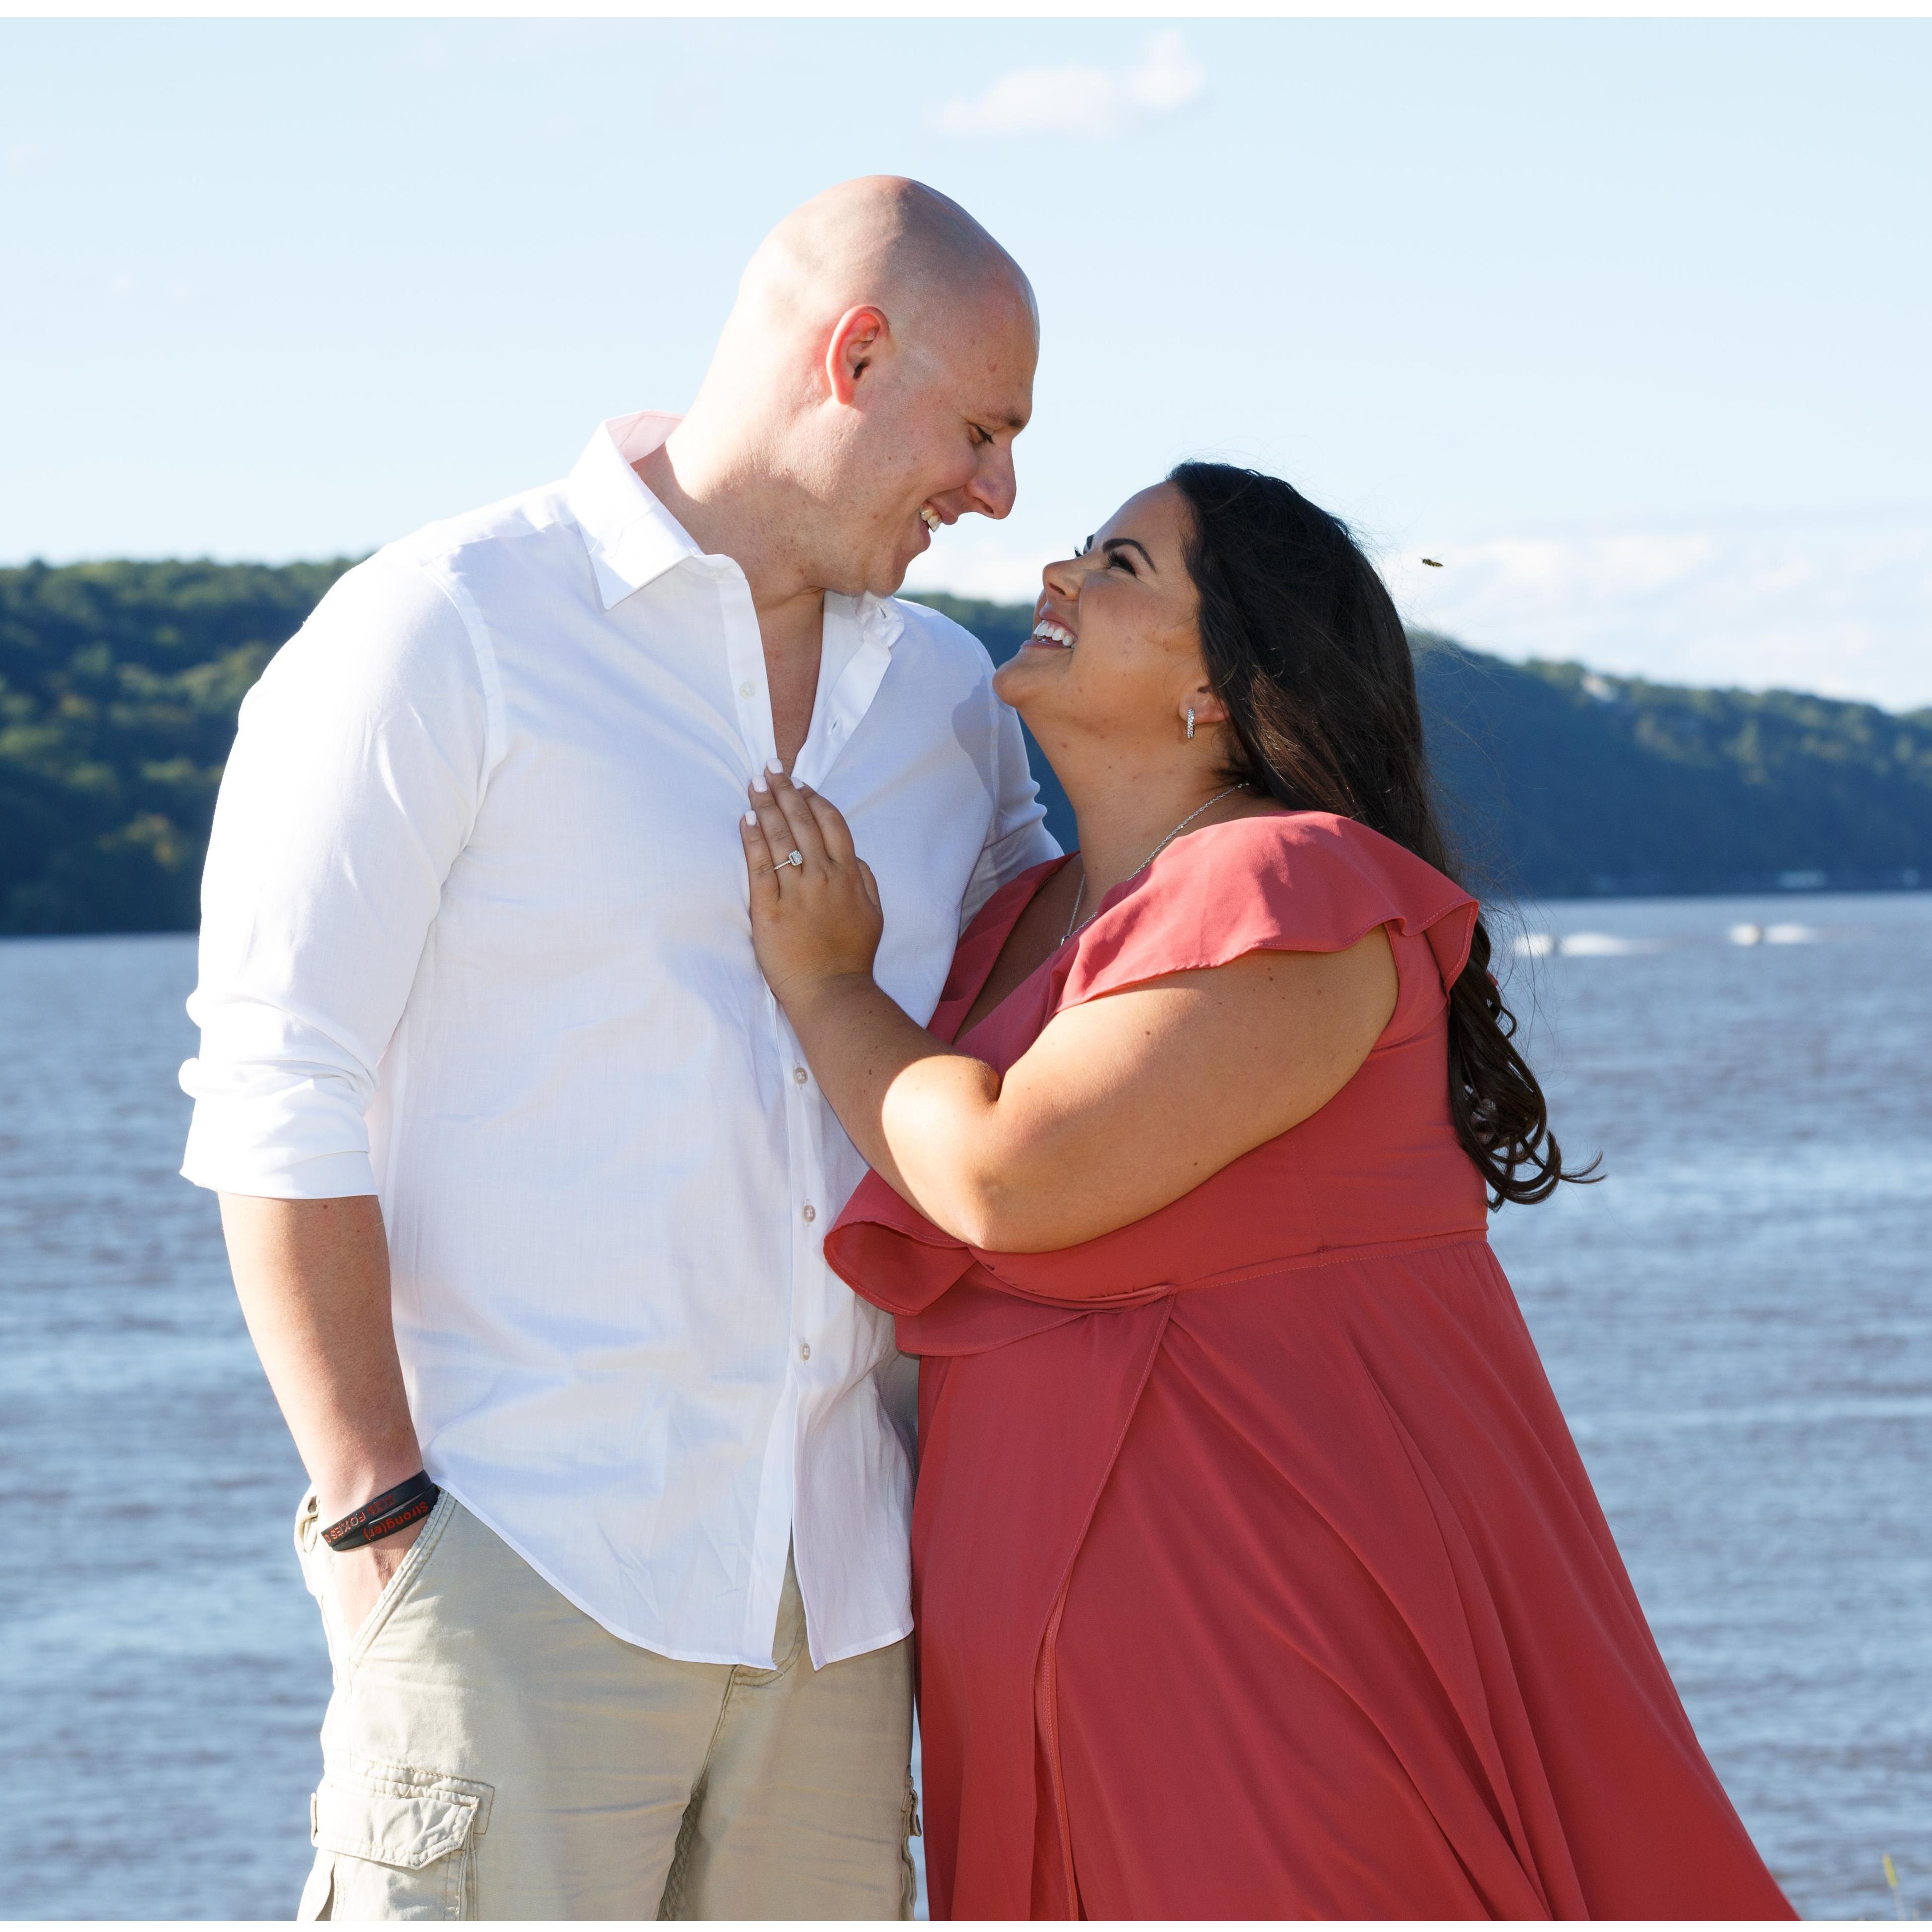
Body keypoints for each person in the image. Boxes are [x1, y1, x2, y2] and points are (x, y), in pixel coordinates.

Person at [739, 462, 1798, 1918]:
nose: (1057, 575)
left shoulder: (1293, 887)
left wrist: (827, 985)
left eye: (1119, 566)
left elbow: (999, 1177)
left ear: (1218, 692)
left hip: (1270, 1651)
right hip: (1050, 1679)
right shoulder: (1023, 925)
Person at [178, 177, 1054, 1920]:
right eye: (982, 431)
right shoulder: (444, 627)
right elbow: (279, 1086)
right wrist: (379, 1520)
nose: (999, 494)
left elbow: (1061, 989)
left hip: (841, 1607)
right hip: (519, 1559)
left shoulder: (951, 700)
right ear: (854, 358)